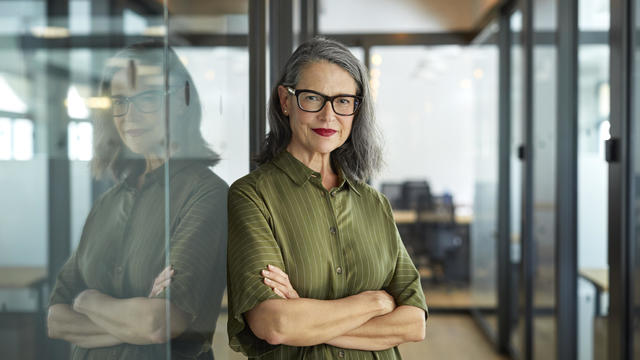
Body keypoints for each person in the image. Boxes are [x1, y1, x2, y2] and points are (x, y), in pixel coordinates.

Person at [227, 37, 428, 359]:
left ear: (356, 109)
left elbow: (413, 324)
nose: (328, 116)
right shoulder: (252, 196)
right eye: (312, 98)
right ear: (285, 101)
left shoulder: (374, 204)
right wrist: (374, 303)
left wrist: (306, 319)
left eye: (343, 101)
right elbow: (275, 324)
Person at [46, 42, 227, 359]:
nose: (129, 115)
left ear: (182, 100)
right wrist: (134, 321)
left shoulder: (207, 194)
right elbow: (56, 320)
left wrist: (88, 300)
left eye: (145, 99)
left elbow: (158, 324)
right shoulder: (108, 202)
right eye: (119, 101)